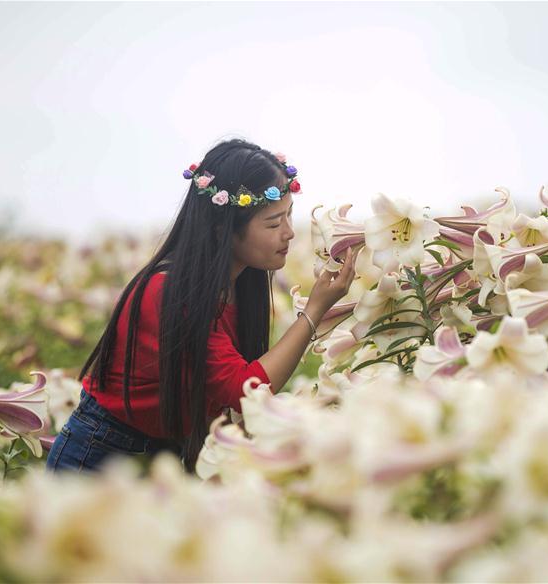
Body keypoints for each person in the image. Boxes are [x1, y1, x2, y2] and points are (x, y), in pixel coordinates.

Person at [46, 138, 359, 474]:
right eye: (272, 223)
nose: (289, 233)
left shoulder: (236, 285)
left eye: (289, 217)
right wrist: (313, 313)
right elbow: (245, 391)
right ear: (223, 228)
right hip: (99, 455)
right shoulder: (168, 291)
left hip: (161, 457)